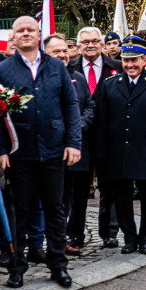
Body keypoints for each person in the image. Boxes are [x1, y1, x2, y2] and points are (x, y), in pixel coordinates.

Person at [0, 16, 82, 289]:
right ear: (13, 36)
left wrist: (74, 143)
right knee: (21, 211)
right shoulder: (2, 70)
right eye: (21, 31)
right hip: (20, 153)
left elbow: (70, 106)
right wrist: (1, 150)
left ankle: (58, 265)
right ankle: (17, 267)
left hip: (54, 151)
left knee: (55, 210)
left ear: (38, 33)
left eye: (31, 30)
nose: (26, 34)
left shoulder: (56, 67)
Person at [95, 36, 146, 256]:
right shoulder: (110, 85)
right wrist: (101, 153)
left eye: (135, 60)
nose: (130, 65)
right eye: (126, 60)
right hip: (118, 151)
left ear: (144, 60)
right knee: (122, 198)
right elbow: (102, 123)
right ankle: (129, 238)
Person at [67, 25, 123, 248]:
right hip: (79, 139)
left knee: (109, 187)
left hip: (109, 138)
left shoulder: (118, 67)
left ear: (102, 44)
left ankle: (109, 232)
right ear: (78, 46)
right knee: (78, 190)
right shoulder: (68, 68)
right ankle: (75, 234)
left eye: (94, 41)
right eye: (85, 42)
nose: (90, 45)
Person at [44, 36, 93, 257]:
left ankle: (64, 240)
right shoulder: (41, 78)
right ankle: (44, 241)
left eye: (65, 51)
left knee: (71, 197)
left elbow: (89, 106)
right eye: (57, 52)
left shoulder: (78, 78)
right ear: (45, 54)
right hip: (50, 149)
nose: (63, 55)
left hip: (75, 148)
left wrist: (79, 124)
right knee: (52, 199)